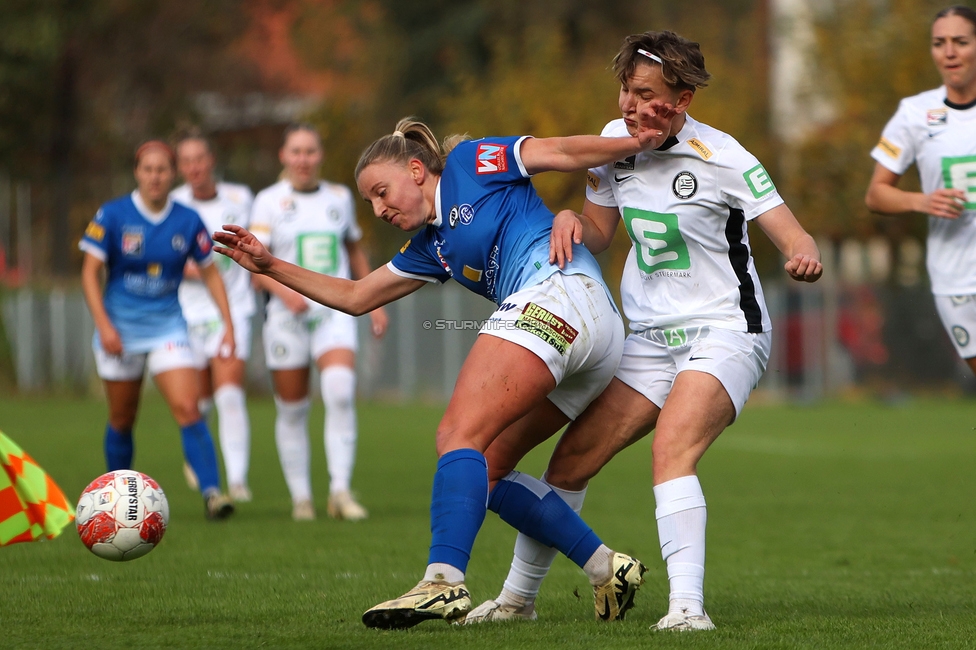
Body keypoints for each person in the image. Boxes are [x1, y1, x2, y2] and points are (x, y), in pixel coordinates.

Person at [214, 114, 671, 629]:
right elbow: (358, 295)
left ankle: (443, 581)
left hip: (557, 295)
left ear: (415, 169)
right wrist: (271, 265)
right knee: (488, 469)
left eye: (381, 192)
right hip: (595, 330)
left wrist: (633, 142)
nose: (378, 208)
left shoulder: (469, 162)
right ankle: (606, 566)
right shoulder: (433, 247)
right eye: (368, 202)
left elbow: (560, 153)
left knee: (457, 434)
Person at [464, 30, 823, 631]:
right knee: (569, 462)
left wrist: (802, 256)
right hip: (650, 338)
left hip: (725, 329)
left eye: (646, 94)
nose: (630, 106)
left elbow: (796, 234)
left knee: (671, 449)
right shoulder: (612, 143)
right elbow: (602, 234)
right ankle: (517, 600)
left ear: (681, 100)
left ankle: (687, 609)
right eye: (626, 91)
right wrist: (574, 218)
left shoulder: (725, 156)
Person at [80, 140, 236, 520]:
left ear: (173, 174)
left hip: (168, 326)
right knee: (122, 418)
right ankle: (114, 496)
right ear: (138, 172)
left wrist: (228, 326)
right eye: (148, 169)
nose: (155, 176)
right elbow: (88, 273)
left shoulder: (187, 220)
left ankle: (214, 494)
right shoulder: (113, 214)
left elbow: (212, 275)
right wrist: (104, 326)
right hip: (120, 331)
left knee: (189, 407)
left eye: (162, 170)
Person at [248, 124, 388, 522]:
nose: (303, 159)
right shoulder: (268, 201)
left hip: (334, 313)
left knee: (341, 391)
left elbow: (353, 249)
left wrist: (375, 302)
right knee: (293, 409)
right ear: (283, 156)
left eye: (310, 151)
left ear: (320, 155)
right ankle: (301, 499)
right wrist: (283, 292)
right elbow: (254, 266)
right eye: (296, 151)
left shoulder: (339, 197)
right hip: (286, 317)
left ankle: (340, 491)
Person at [866, 6, 976, 374]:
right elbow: (876, 194)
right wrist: (923, 200)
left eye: (960, 42)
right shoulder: (915, 113)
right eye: (939, 43)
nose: (949, 52)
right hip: (956, 274)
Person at [172, 133, 256, 503]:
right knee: (197, 400)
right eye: (186, 160)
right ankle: (199, 456)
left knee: (230, 394)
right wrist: (193, 269)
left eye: (199, 158)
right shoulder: (173, 204)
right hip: (185, 313)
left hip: (233, 309)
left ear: (212, 159)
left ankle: (236, 481)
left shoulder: (240, 198)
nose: (194, 167)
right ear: (180, 167)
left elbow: (256, 244)